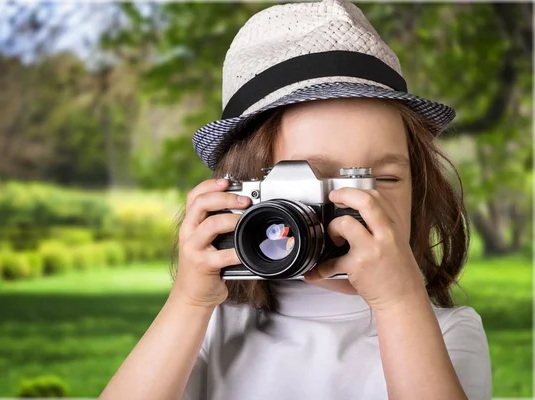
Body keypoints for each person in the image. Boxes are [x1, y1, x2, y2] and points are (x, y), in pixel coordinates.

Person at [100, 1, 492, 399]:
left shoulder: (446, 331)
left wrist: (400, 302)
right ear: (245, 193)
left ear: (418, 187)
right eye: (316, 180)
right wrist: (187, 303)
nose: (359, 205)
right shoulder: (210, 328)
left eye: (385, 178)